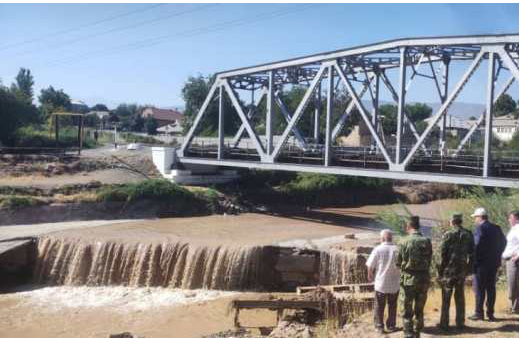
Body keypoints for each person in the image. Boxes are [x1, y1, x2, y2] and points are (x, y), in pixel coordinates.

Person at [437, 213, 475, 331]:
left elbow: (442, 254)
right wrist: (469, 268)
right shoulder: (468, 234)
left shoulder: (448, 234)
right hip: (461, 269)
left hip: (449, 270)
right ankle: (460, 323)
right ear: (460, 221)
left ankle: (444, 324)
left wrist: (440, 271)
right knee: (460, 296)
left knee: (446, 297)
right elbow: (472, 253)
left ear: (452, 222)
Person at [396, 216, 432, 338]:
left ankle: (408, 333)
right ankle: (418, 331)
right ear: (419, 226)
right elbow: (429, 259)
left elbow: (397, 262)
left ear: (408, 227)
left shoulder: (403, 241)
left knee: (406, 308)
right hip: (423, 279)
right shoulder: (427, 241)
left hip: (408, 280)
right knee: (419, 307)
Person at [469, 207, 507, 321]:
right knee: (491, 288)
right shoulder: (496, 228)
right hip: (494, 263)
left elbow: (477, 245)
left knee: (479, 288)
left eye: (475, 217)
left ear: (480, 217)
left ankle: (479, 313)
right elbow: (504, 243)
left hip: (481, 264)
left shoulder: (480, 228)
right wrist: (497, 255)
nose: (474, 219)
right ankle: (490, 313)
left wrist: (474, 259)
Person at [366, 229, 400, 334]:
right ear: (391, 238)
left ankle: (379, 327)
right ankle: (391, 326)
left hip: (381, 284)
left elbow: (370, 265)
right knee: (393, 306)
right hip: (394, 284)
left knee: (379, 306)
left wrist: (370, 274)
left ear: (382, 238)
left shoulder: (378, 249)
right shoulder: (397, 250)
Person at [502, 211, 519, 314]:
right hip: (510, 260)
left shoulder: (517, 229)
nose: (508, 219)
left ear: (516, 218)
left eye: (510, 218)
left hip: (514, 261)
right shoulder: (514, 229)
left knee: (513, 285)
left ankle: (515, 308)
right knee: (512, 285)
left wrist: (518, 255)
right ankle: (514, 308)